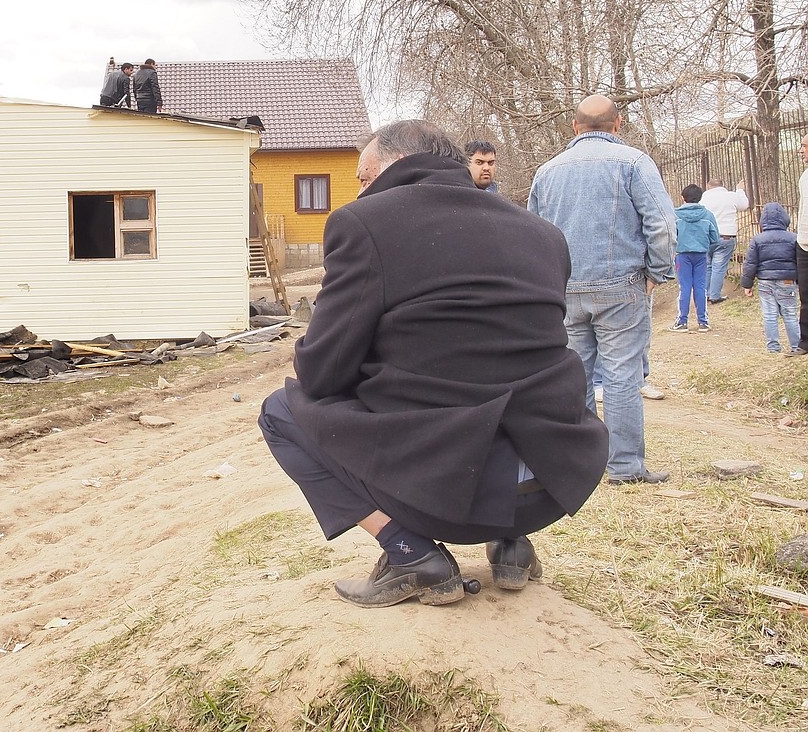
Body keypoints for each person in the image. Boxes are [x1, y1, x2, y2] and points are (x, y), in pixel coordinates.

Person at [258, 120, 608, 609]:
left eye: (364, 177)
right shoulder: (543, 233)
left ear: (398, 165)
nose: (361, 191)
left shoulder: (365, 223)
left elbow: (322, 373)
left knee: (280, 411)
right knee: (506, 371)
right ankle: (513, 549)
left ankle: (410, 554)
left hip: (448, 498)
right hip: (552, 484)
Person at [528, 94, 675, 485]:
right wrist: (656, 272)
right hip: (621, 286)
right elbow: (661, 223)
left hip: (566, 288)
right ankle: (624, 466)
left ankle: (583, 465)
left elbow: (534, 233)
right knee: (623, 375)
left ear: (574, 127)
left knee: (577, 375)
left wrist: (548, 282)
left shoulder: (547, 171)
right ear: (619, 124)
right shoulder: (634, 163)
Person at [740, 203, 800, 355]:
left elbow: (750, 263)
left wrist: (747, 284)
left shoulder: (758, 240)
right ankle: (796, 345)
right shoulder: (794, 238)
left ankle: (773, 347)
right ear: (785, 219)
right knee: (790, 314)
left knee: (769, 315)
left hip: (765, 281)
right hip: (787, 281)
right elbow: (800, 262)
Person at [670, 184, 720, 332]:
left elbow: (670, 235)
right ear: (700, 198)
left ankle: (682, 322)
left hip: (682, 255)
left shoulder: (675, 215)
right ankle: (703, 322)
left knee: (684, 288)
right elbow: (715, 238)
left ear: (682, 197)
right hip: (701, 255)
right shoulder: (708, 215)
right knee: (700, 287)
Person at [701, 179, 749, 303]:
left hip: (706, 237)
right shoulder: (730, 196)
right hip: (725, 237)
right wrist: (740, 189)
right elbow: (744, 205)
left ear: (708, 186)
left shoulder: (703, 199)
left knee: (707, 266)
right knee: (719, 267)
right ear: (723, 186)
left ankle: (704, 294)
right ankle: (715, 296)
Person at [796, 134, 808, 352]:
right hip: (804, 243)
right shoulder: (804, 176)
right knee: (805, 295)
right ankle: (805, 341)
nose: (801, 151)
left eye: (805, 146)